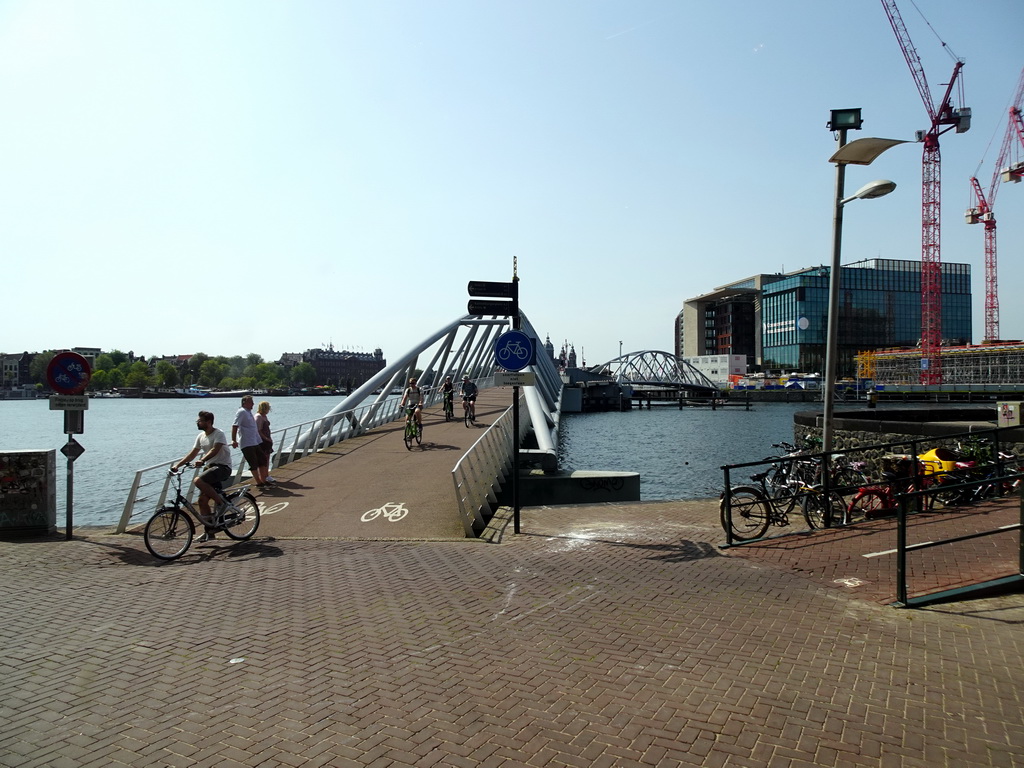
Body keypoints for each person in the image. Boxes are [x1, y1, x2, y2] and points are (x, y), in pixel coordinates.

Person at [171, 410, 232, 541]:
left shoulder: (219, 434)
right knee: (202, 501)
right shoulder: (201, 436)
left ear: (208, 422)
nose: (197, 422)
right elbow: (193, 453)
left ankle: (222, 503)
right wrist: (178, 465)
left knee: (198, 480)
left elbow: (215, 450)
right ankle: (210, 533)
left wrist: (202, 460)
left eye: (200, 420)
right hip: (210, 468)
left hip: (222, 467)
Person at [232, 395, 268, 487]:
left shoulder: (248, 412)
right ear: (245, 403)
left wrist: (259, 440)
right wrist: (233, 440)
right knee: (253, 463)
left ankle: (263, 479)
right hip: (247, 442)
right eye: (251, 402)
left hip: (254, 441)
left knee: (262, 459)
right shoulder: (241, 412)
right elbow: (235, 425)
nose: (253, 404)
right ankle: (259, 482)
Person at [254, 400, 275, 486]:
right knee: (263, 459)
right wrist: (265, 438)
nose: (269, 410)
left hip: (267, 440)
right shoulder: (258, 417)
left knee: (267, 458)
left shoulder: (264, 416)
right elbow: (258, 430)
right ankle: (263, 477)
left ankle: (267, 475)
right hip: (262, 441)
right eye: (268, 408)